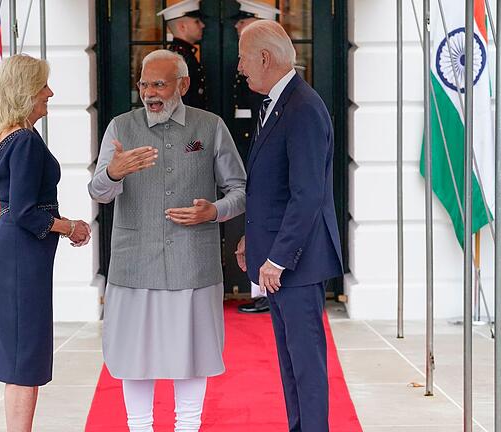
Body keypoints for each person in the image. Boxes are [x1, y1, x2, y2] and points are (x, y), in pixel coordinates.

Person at [88, 49, 246, 432]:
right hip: (134, 263)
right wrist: (112, 172)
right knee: (133, 355)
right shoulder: (120, 127)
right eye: (143, 84)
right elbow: (98, 193)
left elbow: (239, 189)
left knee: (192, 354)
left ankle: (187, 427)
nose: (149, 92)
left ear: (183, 85)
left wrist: (215, 211)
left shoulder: (210, 126)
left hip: (193, 264)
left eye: (158, 83)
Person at [235, 20, 343, 432]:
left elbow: (307, 194)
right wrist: (252, 238)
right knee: (290, 363)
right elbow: (272, 189)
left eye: (244, 58)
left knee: (306, 366)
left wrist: (277, 259)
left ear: (264, 58)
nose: (241, 67)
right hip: (282, 259)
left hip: (297, 264)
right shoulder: (281, 102)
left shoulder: (303, 107)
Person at [0, 54, 91, 432]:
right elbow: (27, 211)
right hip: (22, 251)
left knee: (19, 350)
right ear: (26, 92)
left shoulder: (9, 135)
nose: (50, 92)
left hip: (18, 250)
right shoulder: (25, 140)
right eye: (43, 86)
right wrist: (70, 226)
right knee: (23, 354)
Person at [230, 0, 281, 315]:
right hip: (252, 143)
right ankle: (258, 286)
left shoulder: (274, 70)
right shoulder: (251, 66)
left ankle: (264, 288)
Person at [158, 0, 208, 109]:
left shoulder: (184, 54)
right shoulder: (178, 58)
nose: (203, 25)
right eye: (197, 21)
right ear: (182, 26)